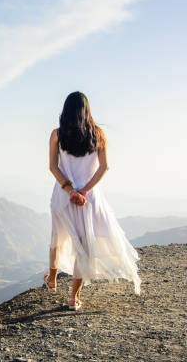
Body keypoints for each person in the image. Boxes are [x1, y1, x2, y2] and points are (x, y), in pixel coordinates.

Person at [44, 91, 141, 311]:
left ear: (65, 110)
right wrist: (84, 192)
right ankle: (73, 298)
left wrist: (70, 191)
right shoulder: (98, 134)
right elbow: (104, 167)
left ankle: (52, 279)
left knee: (57, 238)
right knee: (84, 246)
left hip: (63, 196)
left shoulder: (57, 135)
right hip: (89, 200)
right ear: (87, 111)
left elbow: (53, 167)